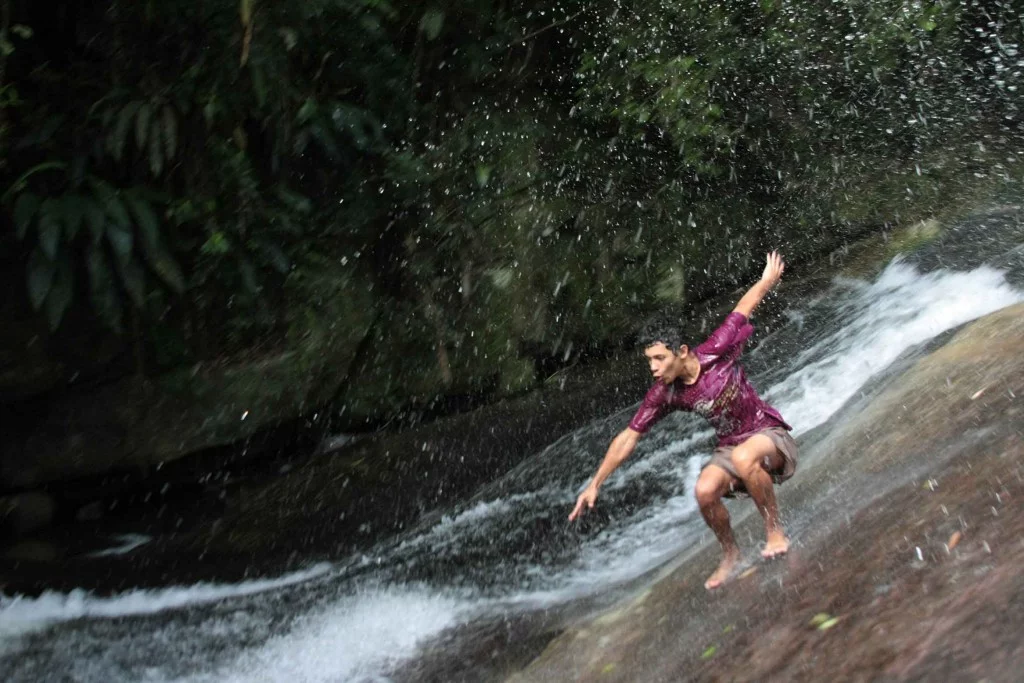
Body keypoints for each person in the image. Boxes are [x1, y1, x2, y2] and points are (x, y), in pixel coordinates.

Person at [568, 251, 797, 590]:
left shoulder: (717, 351)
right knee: (704, 491)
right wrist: (595, 484)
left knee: (744, 456)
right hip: (730, 447)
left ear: (683, 351)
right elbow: (629, 436)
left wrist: (766, 281)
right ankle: (731, 554)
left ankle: (774, 531)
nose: (654, 368)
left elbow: (742, 309)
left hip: (767, 433)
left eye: (660, 358)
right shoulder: (665, 394)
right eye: (649, 361)